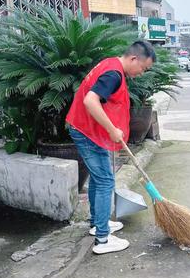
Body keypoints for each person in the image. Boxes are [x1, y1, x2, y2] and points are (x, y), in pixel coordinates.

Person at [66, 40, 156, 254]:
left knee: (100, 179)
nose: (141, 73)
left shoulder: (110, 64)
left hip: (88, 130)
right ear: (134, 59)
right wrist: (112, 129)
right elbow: (90, 101)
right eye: (143, 68)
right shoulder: (114, 74)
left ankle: (98, 223)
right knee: (106, 180)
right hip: (86, 131)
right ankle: (103, 240)